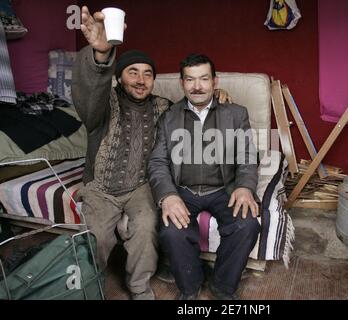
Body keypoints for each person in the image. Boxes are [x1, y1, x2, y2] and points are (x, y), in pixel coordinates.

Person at [71, 7, 229, 300]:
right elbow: (89, 92)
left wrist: (215, 98)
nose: (141, 80)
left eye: (148, 74)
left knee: (146, 228)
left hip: (141, 186)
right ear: (119, 78)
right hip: (100, 187)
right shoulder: (103, 104)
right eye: (133, 73)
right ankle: (86, 288)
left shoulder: (163, 107)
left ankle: (139, 286)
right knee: (97, 238)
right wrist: (102, 56)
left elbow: (191, 108)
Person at [148, 53, 261, 300]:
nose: (197, 86)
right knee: (170, 230)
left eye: (203, 79)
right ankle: (190, 286)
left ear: (215, 81)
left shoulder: (235, 113)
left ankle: (222, 286)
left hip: (224, 189)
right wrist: (167, 195)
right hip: (184, 190)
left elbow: (247, 156)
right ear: (182, 83)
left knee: (247, 224)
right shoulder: (169, 117)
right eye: (190, 80)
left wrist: (244, 186)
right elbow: (157, 161)